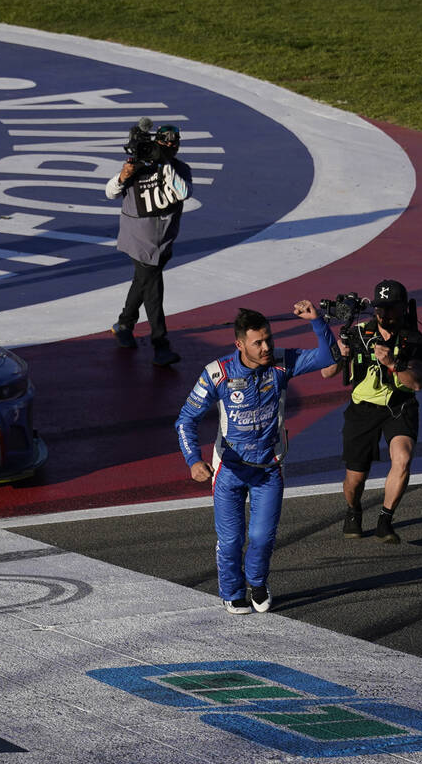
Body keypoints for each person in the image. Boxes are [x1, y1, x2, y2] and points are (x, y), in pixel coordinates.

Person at [176, 301, 335, 614]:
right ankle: (232, 592)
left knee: (261, 538)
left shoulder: (282, 363)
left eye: (269, 340)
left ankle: (258, 583)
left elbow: (329, 357)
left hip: (269, 469)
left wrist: (316, 320)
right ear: (239, 344)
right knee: (232, 541)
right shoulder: (217, 373)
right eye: (258, 342)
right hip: (228, 471)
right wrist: (193, 460)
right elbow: (185, 420)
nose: (266, 347)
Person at [321, 280, 422, 543]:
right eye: (380, 308)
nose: (384, 314)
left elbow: (417, 382)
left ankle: (385, 519)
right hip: (363, 408)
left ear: (403, 308)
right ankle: (353, 509)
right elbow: (326, 373)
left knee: (403, 458)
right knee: (355, 479)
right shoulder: (357, 333)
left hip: (399, 406)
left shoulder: (413, 339)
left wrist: (392, 363)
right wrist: (340, 354)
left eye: (391, 308)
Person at [107, 121, 193, 367]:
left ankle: (124, 324)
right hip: (139, 240)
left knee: (142, 282)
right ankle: (160, 345)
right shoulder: (137, 168)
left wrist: (164, 163)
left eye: (173, 144)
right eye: (164, 143)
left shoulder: (180, 169)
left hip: (163, 241)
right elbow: (110, 192)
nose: (169, 147)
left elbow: (183, 192)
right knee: (154, 291)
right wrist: (124, 176)